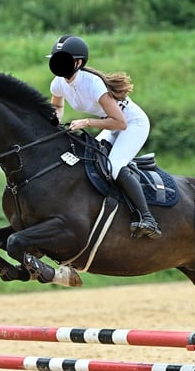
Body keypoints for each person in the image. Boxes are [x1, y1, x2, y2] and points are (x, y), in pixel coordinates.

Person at [47, 35, 162, 239]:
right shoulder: (58, 83)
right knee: (93, 159)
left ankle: (148, 218)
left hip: (132, 123)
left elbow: (120, 123)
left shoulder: (93, 84)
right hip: (111, 122)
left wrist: (86, 122)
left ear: (78, 62)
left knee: (114, 166)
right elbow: (57, 105)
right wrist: (54, 120)